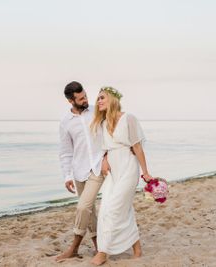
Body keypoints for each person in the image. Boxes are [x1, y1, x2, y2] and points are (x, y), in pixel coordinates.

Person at [89, 87, 153, 266]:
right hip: (113, 172)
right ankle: (137, 249)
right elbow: (106, 148)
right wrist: (105, 159)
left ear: (112, 99)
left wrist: (145, 172)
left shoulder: (128, 118)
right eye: (98, 98)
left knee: (114, 210)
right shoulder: (103, 123)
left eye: (102, 98)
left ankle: (103, 252)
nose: (99, 101)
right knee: (112, 209)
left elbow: (137, 147)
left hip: (128, 169)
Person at [57, 81, 109, 262]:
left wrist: (107, 157)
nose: (86, 100)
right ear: (71, 101)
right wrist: (67, 176)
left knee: (82, 206)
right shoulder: (65, 122)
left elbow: (112, 132)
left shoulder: (97, 111)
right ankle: (98, 248)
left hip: (97, 167)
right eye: (81, 98)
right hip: (78, 170)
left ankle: (73, 247)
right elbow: (65, 152)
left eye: (86, 95)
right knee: (90, 210)